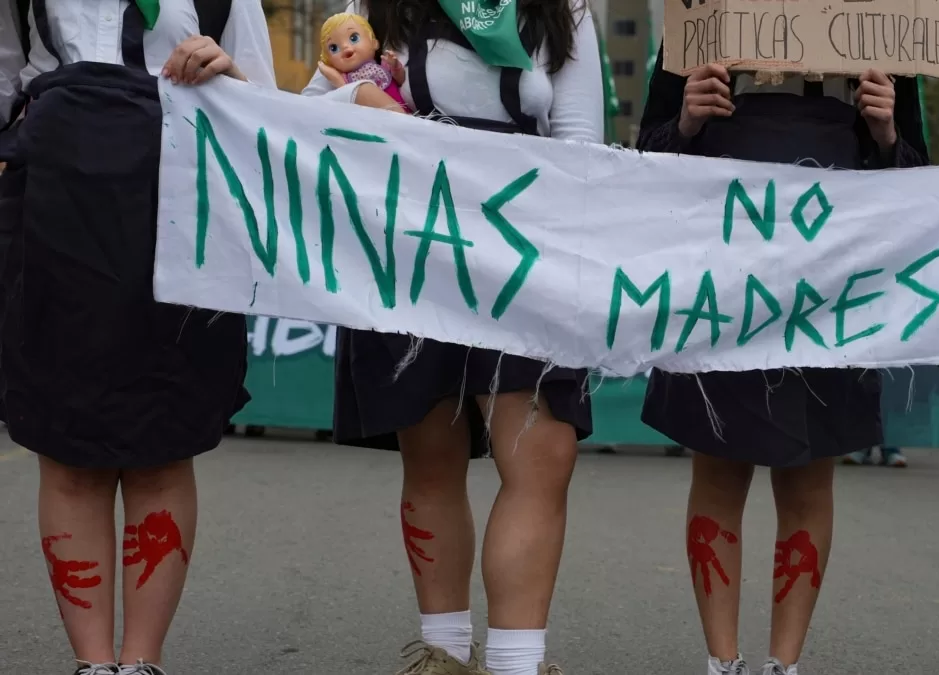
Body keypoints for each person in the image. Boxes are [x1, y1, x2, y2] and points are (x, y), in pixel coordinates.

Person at [301, 2, 601, 675]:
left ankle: (518, 665)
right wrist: (365, 98)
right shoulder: (383, 7)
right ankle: (443, 655)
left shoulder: (564, 12)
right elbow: (309, 107)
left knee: (543, 453)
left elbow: (584, 141)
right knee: (432, 450)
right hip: (413, 245)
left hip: (526, 246)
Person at [0, 1, 276, 674]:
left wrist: (228, 74)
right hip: (54, 195)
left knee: (163, 438)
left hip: (179, 197)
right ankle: (93, 664)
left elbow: (267, 114)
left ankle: (141, 662)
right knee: (65, 445)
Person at [636, 51, 928, 675]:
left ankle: (783, 665)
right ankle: (722, 663)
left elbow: (917, 177)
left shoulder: (879, 35)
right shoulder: (701, 21)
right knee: (717, 467)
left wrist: (886, 132)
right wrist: (687, 123)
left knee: (808, 475)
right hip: (722, 276)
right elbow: (648, 153)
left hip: (828, 284)